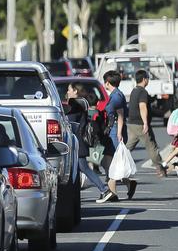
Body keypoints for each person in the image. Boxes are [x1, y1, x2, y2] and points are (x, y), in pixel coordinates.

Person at [64, 82, 114, 202]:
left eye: (69, 90)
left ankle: (104, 189)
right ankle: (74, 195)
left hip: (78, 141)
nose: (67, 92)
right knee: (79, 168)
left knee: (83, 167)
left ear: (75, 91)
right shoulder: (81, 103)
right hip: (79, 141)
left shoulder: (75, 104)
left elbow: (69, 122)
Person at [97, 70, 136, 203]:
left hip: (115, 132)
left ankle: (112, 193)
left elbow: (120, 116)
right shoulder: (114, 95)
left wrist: (119, 133)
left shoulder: (117, 96)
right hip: (111, 132)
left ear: (108, 82)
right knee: (110, 162)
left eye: (105, 82)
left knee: (111, 162)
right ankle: (128, 184)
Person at [126, 69, 167, 177]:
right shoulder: (143, 92)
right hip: (140, 124)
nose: (148, 80)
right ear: (144, 79)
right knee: (151, 146)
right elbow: (142, 106)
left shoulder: (134, 90)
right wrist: (145, 123)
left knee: (128, 147)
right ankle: (160, 168)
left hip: (132, 123)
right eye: (148, 78)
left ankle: (117, 162)